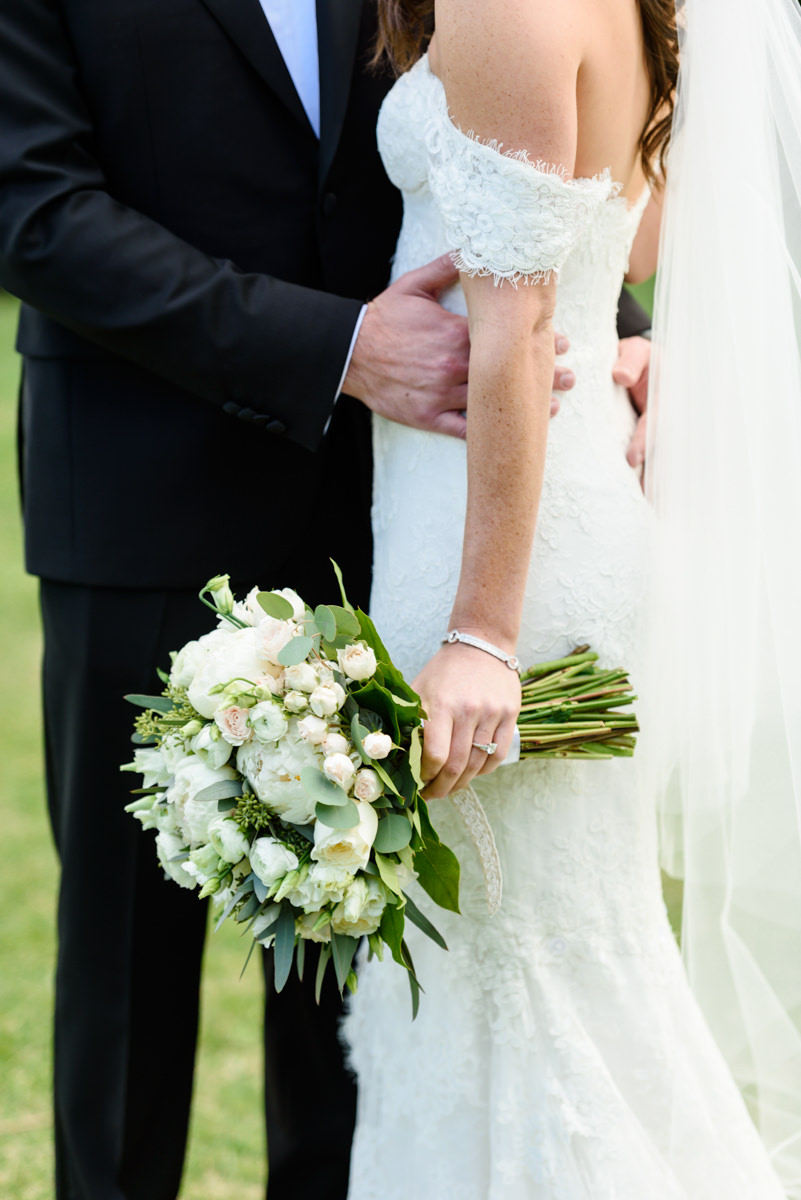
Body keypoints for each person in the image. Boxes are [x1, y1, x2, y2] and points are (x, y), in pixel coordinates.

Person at [0, 2, 652, 1198]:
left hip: (386, 512)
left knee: (362, 997)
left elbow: (500, 146)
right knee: (127, 974)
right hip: (139, 500)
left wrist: (619, 324)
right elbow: (33, 207)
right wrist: (333, 347)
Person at [341, 1, 792, 1195]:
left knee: (521, 967)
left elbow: (520, 323)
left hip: (500, 557)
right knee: (539, 957)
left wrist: (480, 633)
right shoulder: (635, 6)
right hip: (527, 508)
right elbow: (634, 247)